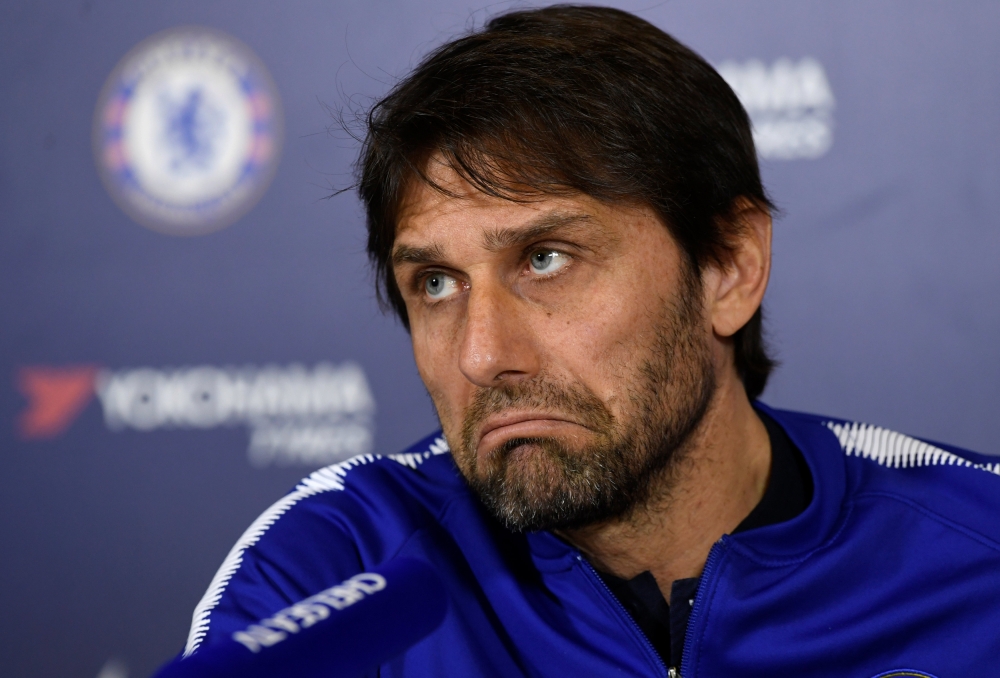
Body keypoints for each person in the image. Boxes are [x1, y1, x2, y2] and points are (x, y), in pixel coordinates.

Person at [181, 6, 1000, 676]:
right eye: (436, 283)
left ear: (728, 269)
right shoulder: (338, 561)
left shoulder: (978, 544)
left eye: (545, 259)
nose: (480, 355)